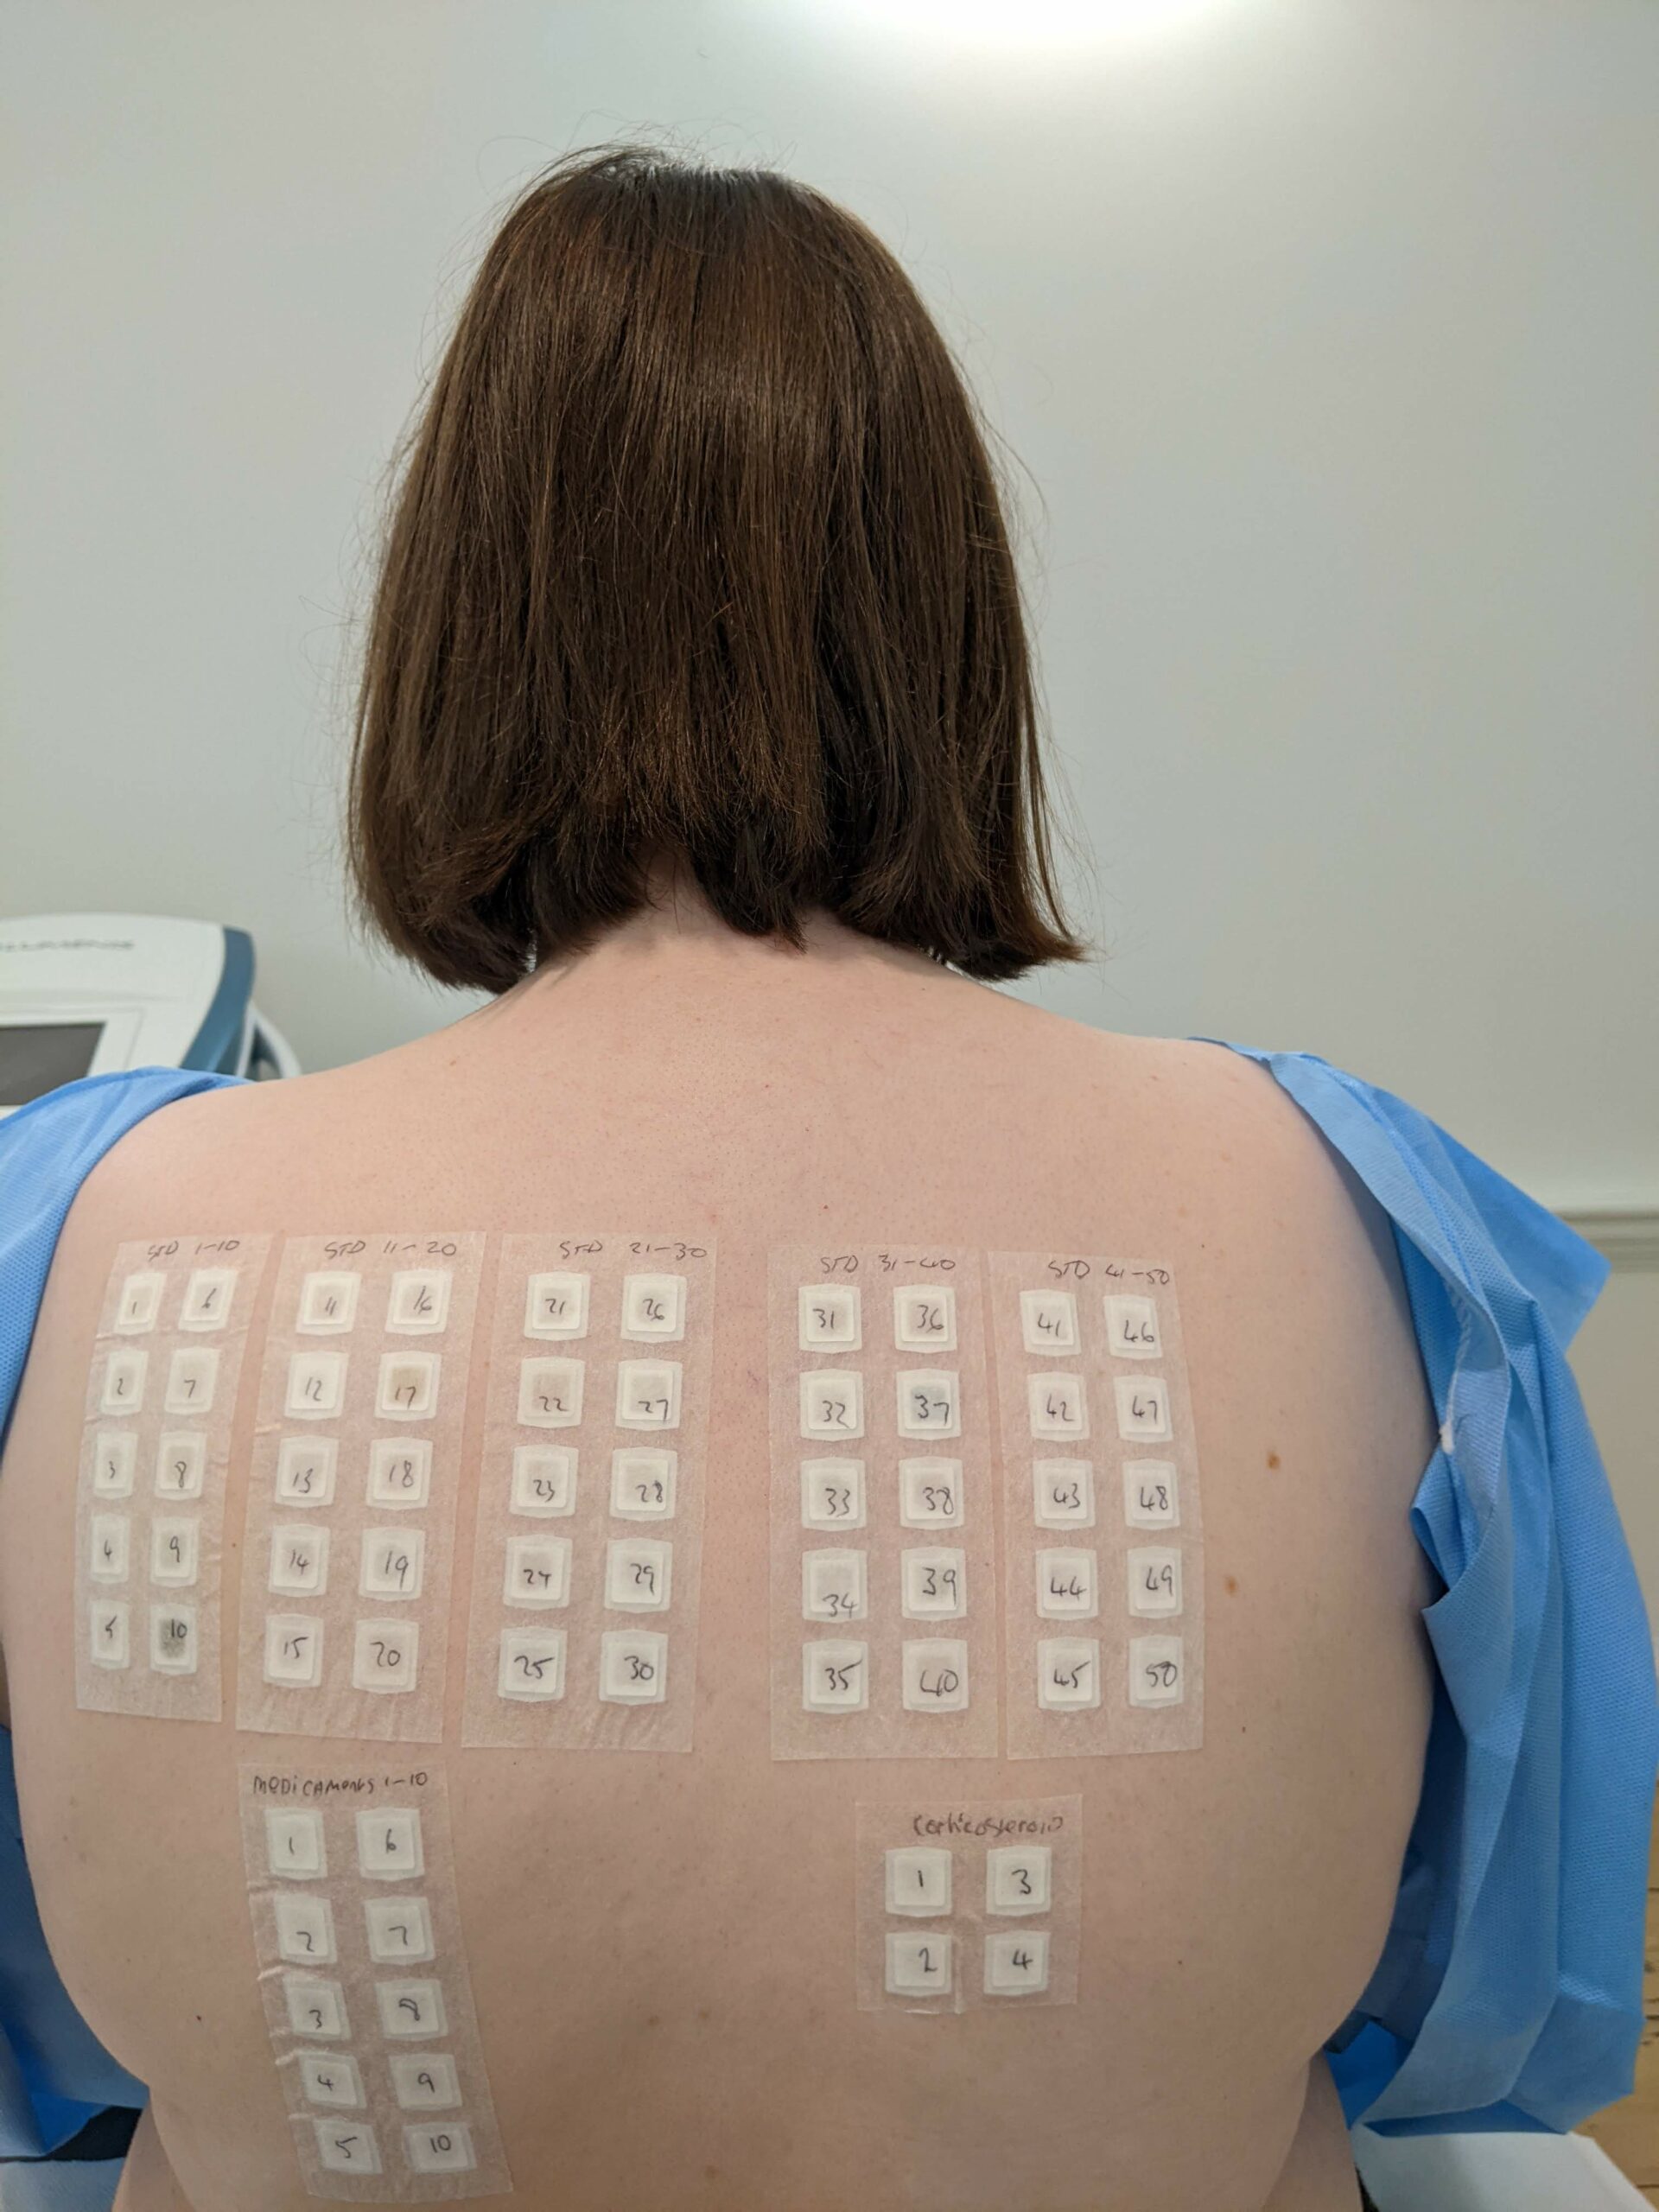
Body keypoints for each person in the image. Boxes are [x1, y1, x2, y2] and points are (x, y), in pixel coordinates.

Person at [0, 146, 1650, 2212]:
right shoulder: (1352, 1213)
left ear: (451, 625)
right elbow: (1496, 2003)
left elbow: (54, 2038)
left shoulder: (93, 1236)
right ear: (948, 624)